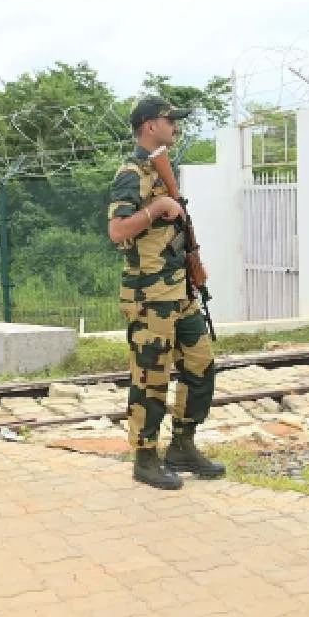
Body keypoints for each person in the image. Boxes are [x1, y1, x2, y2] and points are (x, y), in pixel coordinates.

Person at [106, 95, 224, 490]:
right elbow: (118, 231)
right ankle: (145, 457)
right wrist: (156, 208)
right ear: (148, 125)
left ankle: (183, 445)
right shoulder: (131, 173)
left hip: (179, 291)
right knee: (151, 377)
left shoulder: (162, 169)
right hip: (149, 295)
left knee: (200, 364)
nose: (175, 125)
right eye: (169, 119)